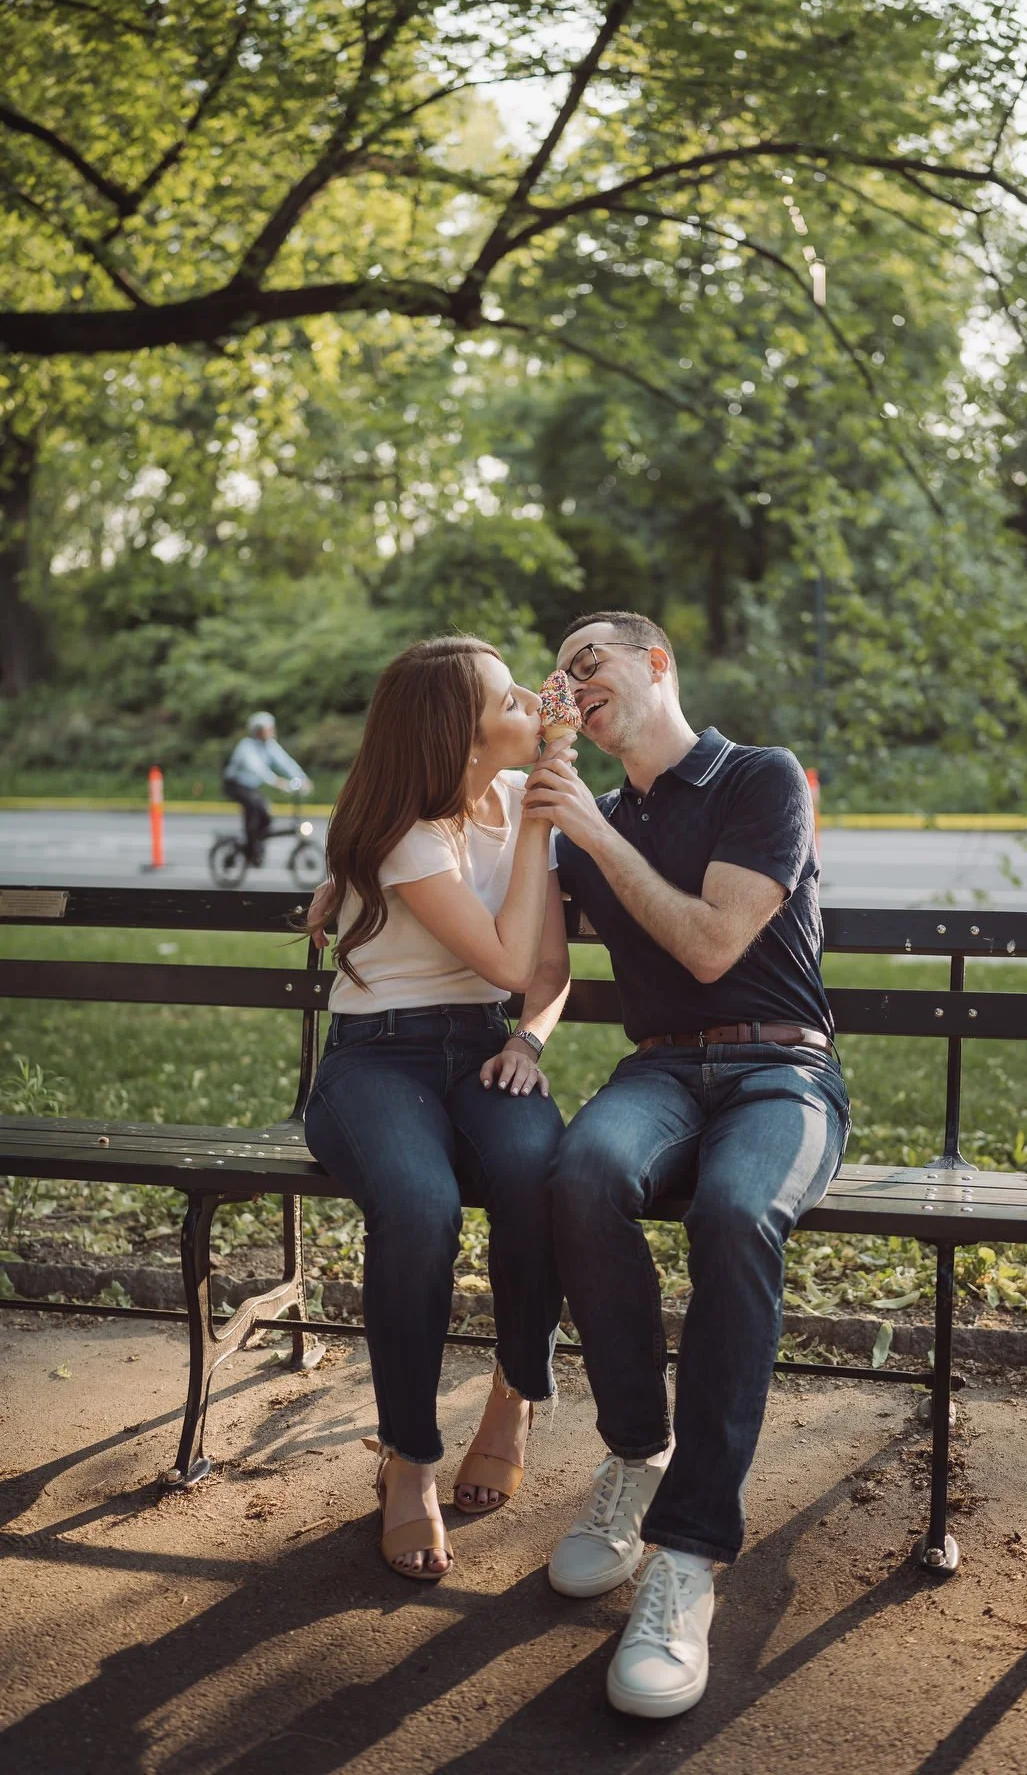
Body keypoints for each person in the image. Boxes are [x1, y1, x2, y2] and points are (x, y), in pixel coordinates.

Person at [523, 611, 850, 1718]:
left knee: (735, 1212)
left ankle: (688, 1554)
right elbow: (524, 943)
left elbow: (715, 941)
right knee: (577, 1174)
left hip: (783, 1076)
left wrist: (594, 833)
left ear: (655, 663)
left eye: (588, 662)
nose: (569, 683)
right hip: (660, 1075)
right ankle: (635, 1454)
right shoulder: (585, 819)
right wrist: (358, 885)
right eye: (556, 676)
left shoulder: (758, 777)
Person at [303, 637, 572, 1582]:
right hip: (378, 1061)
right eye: (511, 697)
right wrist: (542, 822)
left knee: (545, 1172)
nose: (535, 701)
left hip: (484, 1051)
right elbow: (505, 958)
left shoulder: (513, 807)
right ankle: (409, 1457)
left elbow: (540, 978)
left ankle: (514, 1395)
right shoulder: (407, 833)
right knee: (420, 1208)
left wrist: (526, 1041)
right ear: (463, 735)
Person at [222, 711, 312, 866]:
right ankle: (251, 848)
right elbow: (257, 768)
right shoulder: (246, 747)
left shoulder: (269, 745)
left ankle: (257, 845)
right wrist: (276, 781)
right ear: (258, 731)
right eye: (269, 729)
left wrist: (302, 778)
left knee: (266, 814)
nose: (272, 731)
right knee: (255, 807)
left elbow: (285, 762)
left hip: (251, 786)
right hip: (235, 784)